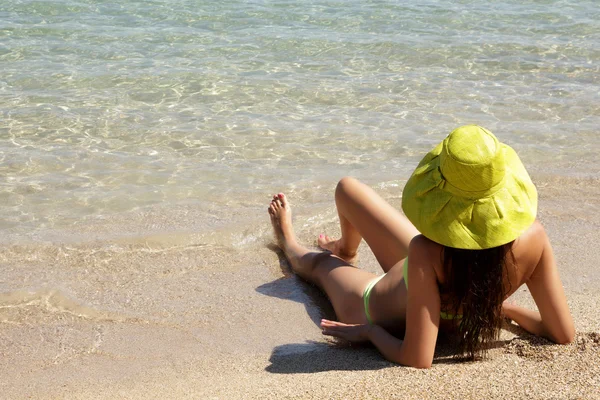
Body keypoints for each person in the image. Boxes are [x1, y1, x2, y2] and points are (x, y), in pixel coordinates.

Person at [267, 125, 574, 368]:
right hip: (434, 286)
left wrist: (370, 333)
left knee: (319, 266)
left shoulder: (426, 251)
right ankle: (346, 248)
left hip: (373, 305)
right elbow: (562, 333)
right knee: (348, 189)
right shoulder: (535, 238)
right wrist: (500, 307)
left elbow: (418, 358)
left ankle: (289, 240)